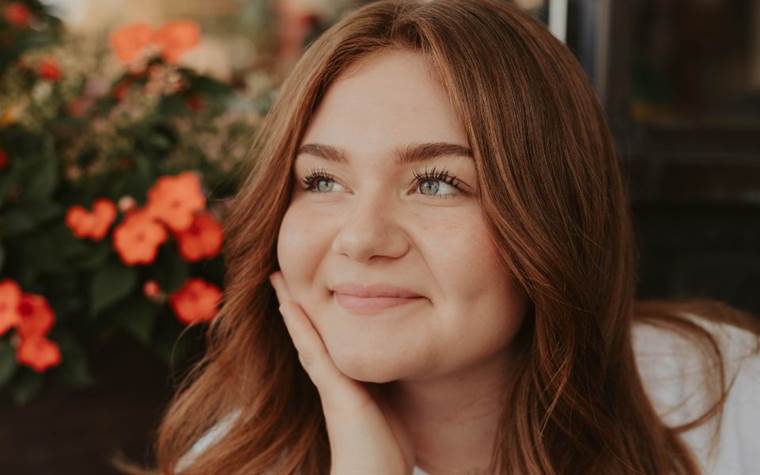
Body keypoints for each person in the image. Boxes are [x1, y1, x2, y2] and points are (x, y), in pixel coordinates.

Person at [116, 1, 760, 474]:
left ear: (553, 217)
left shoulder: (726, 400)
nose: (362, 238)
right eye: (320, 180)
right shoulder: (230, 461)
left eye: (435, 182)